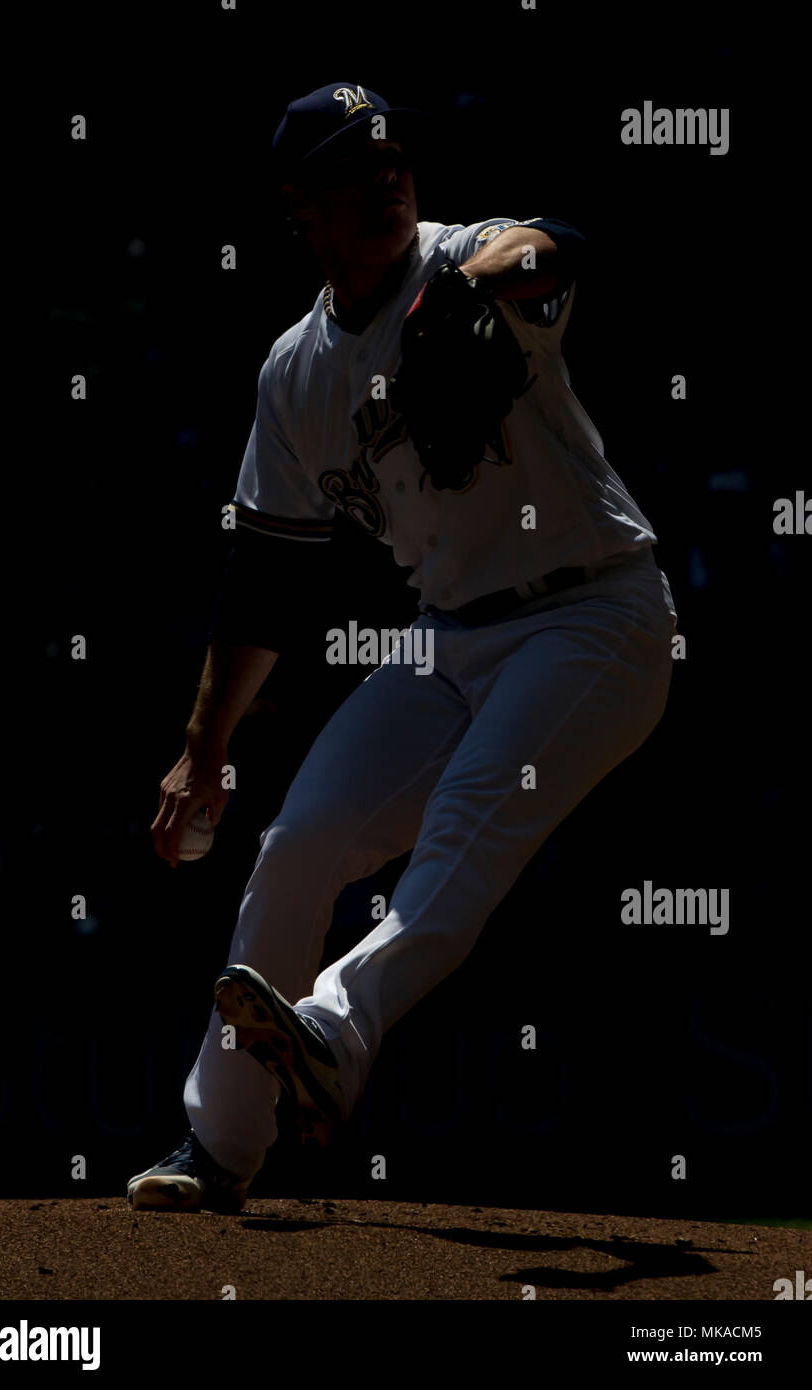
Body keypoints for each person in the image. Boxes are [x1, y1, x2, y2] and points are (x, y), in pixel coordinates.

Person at [127, 83, 677, 1212]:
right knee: (300, 839)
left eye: (392, 161)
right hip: (448, 640)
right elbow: (265, 577)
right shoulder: (294, 373)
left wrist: (473, 287)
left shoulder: (460, 257)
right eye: (349, 169)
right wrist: (204, 744)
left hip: (595, 615)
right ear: (301, 208)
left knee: (472, 818)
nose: (383, 179)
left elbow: (555, 244)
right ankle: (220, 1146)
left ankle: (333, 1024)